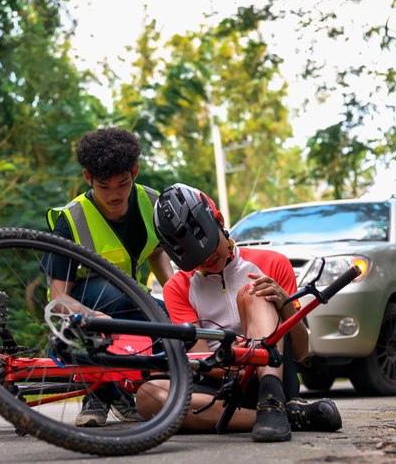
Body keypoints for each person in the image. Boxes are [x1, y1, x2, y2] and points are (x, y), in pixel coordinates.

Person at [136, 184, 342, 442]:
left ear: (219, 221)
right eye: (196, 259)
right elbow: (201, 356)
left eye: (210, 250)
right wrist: (232, 357)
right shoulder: (177, 287)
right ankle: (286, 416)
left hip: (271, 375)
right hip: (222, 381)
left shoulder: (273, 262)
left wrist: (285, 303)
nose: (206, 261)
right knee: (147, 397)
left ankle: (271, 400)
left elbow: (300, 352)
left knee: (255, 289)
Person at [45, 127, 174, 427]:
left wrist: (179, 302)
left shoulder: (152, 203)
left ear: (135, 172)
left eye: (123, 183)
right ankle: (98, 390)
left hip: (137, 303)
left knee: (173, 323)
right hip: (87, 305)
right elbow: (58, 298)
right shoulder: (71, 219)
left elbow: (155, 251)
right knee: (116, 296)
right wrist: (94, 316)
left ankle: (128, 387)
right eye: (104, 186)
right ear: (88, 177)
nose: (115, 194)